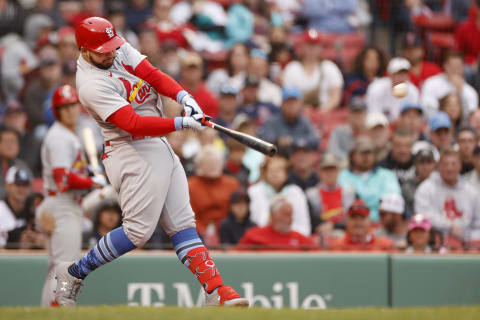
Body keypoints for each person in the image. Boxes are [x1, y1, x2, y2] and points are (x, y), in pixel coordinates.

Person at [54, 17, 248, 307]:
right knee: (137, 232)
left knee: (183, 223)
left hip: (157, 143)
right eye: (102, 50)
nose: (110, 52)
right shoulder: (89, 85)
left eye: (111, 46)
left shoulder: (116, 49)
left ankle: (216, 290)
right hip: (129, 150)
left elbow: (152, 74)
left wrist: (184, 96)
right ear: (84, 50)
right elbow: (132, 124)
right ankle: (73, 272)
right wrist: (181, 122)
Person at [35, 85, 107, 307]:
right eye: (64, 107)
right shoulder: (59, 137)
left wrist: (90, 178)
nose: (69, 110)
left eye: (72, 105)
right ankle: (55, 307)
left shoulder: (67, 135)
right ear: (56, 110)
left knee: (58, 265)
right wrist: (91, 182)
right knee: (64, 265)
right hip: (61, 204)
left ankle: (49, 309)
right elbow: (62, 179)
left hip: (63, 204)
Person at [414, 148, 480, 244]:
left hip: (467, 243)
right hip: (434, 243)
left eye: (453, 164)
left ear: (460, 166)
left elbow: (478, 224)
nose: (449, 168)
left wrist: (467, 239)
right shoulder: (426, 188)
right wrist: (449, 226)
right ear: (438, 166)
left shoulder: (471, 191)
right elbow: (423, 217)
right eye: (445, 164)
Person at [338, 136, 401, 222]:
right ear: (352, 156)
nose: (366, 157)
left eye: (369, 153)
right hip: (352, 222)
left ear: (375, 155)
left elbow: (391, 202)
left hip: (382, 223)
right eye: (362, 153)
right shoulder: (342, 176)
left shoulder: (386, 175)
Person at [248, 156, 311, 236]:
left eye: (278, 170)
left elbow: (304, 225)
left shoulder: (296, 192)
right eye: (271, 170)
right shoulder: (254, 191)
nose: (275, 174)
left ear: (286, 174)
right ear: (265, 173)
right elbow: (253, 221)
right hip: (262, 239)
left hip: (290, 239)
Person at [282, 29, 344, 111]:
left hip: (325, 113)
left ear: (320, 48)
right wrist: (302, 109)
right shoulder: (292, 68)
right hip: (298, 114)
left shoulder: (329, 67)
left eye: (315, 45)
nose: (312, 49)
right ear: (303, 46)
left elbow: (335, 97)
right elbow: (288, 96)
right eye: (309, 45)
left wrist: (321, 111)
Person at [237, 195, 315, 251]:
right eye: (286, 214)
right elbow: (235, 256)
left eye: (291, 214)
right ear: (273, 215)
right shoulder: (254, 236)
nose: (291, 218)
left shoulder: (301, 240)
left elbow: (319, 255)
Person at [259, 87, 319, 156]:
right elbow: (266, 141)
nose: (291, 106)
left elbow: (315, 140)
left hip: (299, 159)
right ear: (282, 105)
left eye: (294, 103)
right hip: (278, 158)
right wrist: (278, 141)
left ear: (300, 105)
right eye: (288, 103)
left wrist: (292, 140)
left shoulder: (305, 121)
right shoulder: (272, 121)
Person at [306, 153, 355, 236]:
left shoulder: (350, 192)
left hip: (345, 233)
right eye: (325, 169)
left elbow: (355, 218)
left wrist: (334, 226)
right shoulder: (311, 194)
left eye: (332, 169)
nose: (329, 173)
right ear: (319, 172)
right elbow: (309, 218)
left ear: (338, 171)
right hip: (320, 233)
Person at [421, 52, 478, 121]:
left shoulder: (470, 91)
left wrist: (460, 92)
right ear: (444, 65)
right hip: (436, 125)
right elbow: (427, 109)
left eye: (457, 66)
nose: (454, 70)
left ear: (463, 67)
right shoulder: (431, 83)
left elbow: (470, 117)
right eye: (451, 66)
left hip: (460, 127)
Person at [366, 57, 420, 121]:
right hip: (380, 126)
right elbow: (373, 115)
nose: (402, 77)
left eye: (405, 73)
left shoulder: (413, 92)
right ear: (390, 75)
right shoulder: (376, 88)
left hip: (403, 127)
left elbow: (413, 117)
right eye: (398, 74)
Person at [328, 199, 394, 251]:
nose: (358, 222)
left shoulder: (385, 245)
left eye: (362, 218)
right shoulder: (336, 246)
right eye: (354, 217)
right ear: (347, 220)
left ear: (369, 220)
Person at [0, 166, 34, 248]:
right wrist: (16, 241)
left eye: (25, 185)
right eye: (18, 184)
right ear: (8, 186)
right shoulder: (1, 209)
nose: (22, 189)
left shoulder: (34, 211)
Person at [327, 97, 367, 162]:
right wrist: (352, 160)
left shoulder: (370, 131)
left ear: (365, 114)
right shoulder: (338, 131)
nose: (357, 116)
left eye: (360, 113)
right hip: (343, 165)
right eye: (354, 112)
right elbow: (333, 150)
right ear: (349, 114)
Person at [179, 51, 219, 118]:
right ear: (182, 71)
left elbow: (211, 124)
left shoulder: (209, 98)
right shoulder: (174, 92)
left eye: (195, 69)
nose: (192, 72)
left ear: (201, 71)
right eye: (188, 69)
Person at [401, 147, 437, 218]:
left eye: (429, 162)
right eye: (422, 162)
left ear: (434, 164)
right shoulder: (408, 186)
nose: (425, 167)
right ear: (415, 165)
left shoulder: (440, 183)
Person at [0, 127, 29, 200]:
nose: (10, 146)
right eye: (6, 141)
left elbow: (29, 190)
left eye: (14, 141)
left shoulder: (21, 166)